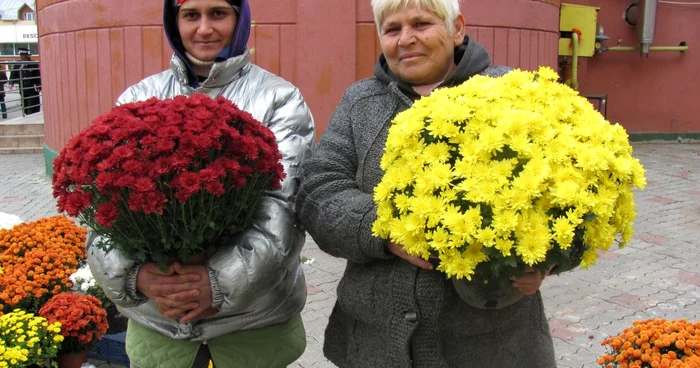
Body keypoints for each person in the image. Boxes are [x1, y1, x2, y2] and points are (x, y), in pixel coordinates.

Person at [295, 0, 569, 367]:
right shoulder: (361, 102)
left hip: (494, 346)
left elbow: (573, 185)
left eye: (422, 24)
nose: (406, 39)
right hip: (378, 343)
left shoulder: (512, 92)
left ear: (456, 28)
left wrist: (550, 258)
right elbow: (319, 189)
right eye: (392, 29)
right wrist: (386, 231)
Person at [86, 0, 315, 367]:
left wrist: (216, 284)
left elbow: (283, 210)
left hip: (251, 328)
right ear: (174, 22)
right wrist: (137, 277)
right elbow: (106, 214)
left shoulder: (279, 99)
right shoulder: (138, 98)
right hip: (159, 326)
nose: (204, 29)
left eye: (218, 14)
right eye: (191, 15)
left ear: (240, 21)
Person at [10, 48, 41, 115]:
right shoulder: (18, 64)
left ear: (27, 55)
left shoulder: (33, 64)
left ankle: (31, 115)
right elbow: (13, 74)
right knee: (25, 105)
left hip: (32, 88)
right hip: (23, 88)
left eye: (23, 55)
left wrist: (39, 86)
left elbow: (38, 75)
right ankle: (27, 114)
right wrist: (11, 83)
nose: (21, 56)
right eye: (21, 55)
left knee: (32, 105)